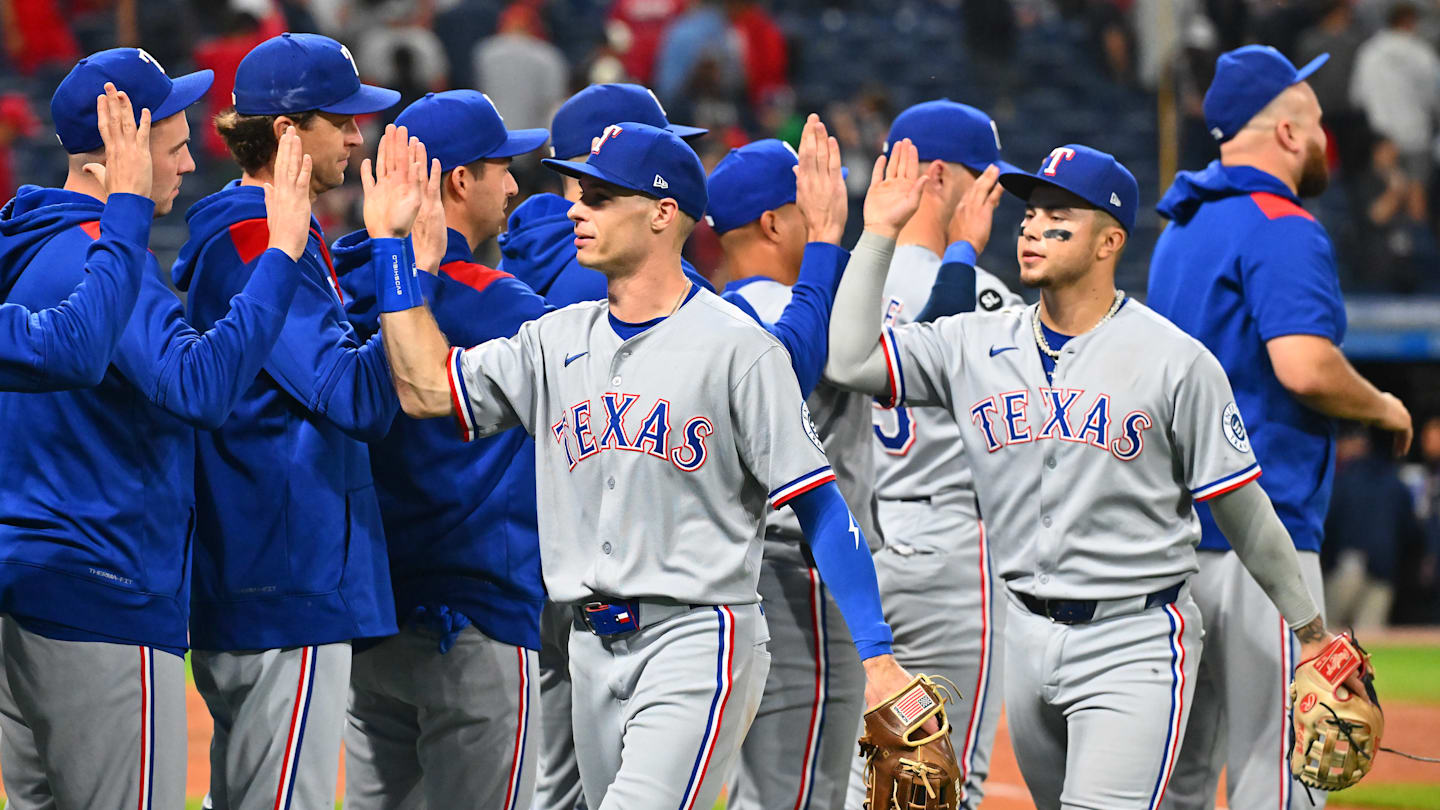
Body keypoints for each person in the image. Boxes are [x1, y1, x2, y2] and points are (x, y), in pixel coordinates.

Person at [372, 118, 916, 810]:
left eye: (600, 197)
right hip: (589, 645)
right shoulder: (553, 338)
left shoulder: (738, 349)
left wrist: (875, 651)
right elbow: (424, 387)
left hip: (697, 636)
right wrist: (393, 251)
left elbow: (820, 504)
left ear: (663, 214)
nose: (575, 206)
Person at [825, 138, 1358, 810]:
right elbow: (847, 361)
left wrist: (1310, 631)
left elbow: (1243, 509)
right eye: (1028, 216)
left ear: (1109, 244)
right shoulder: (971, 342)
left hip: (1132, 636)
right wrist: (877, 232)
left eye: (1058, 219)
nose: (1032, 229)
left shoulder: (1174, 360)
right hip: (1025, 632)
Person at [499, 86, 844, 810]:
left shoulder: (530, 262)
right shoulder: (608, 286)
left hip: (557, 574)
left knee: (563, 791)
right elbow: (784, 372)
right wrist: (824, 251)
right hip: (611, 570)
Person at [0, 48, 309, 809]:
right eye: (171, 142)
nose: (188, 158)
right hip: (102, 594)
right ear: (117, 156)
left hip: (30, 600)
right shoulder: (96, 254)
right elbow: (196, 387)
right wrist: (283, 256)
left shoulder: (30, 244)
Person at [1148, 45, 1413, 810]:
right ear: (1289, 136)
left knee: (1182, 778)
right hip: (1263, 535)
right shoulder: (1282, 224)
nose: (1327, 137)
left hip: (1173, 540)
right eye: (1318, 122)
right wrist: (1385, 405)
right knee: (1283, 768)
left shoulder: (1180, 233)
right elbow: (1302, 365)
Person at [170, 32, 403, 810]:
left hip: (266, 564)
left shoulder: (270, 236)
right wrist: (408, 274)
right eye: (338, 119)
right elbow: (356, 397)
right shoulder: (257, 238)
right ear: (285, 132)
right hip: (287, 569)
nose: (355, 135)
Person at [329, 89, 552, 810]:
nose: (513, 185)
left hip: (369, 614)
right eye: (501, 167)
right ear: (460, 181)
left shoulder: (333, 284)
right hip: (479, 616)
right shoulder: (499, 302)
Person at [846, 99, 1023, 810]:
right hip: (955, 552)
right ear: (940, 176)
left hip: (855, 548)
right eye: (986, 179)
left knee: (856, 781)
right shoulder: (987, 295)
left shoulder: (843, 288)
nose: (998, 197)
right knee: (946, 780)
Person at [706, 136, 869, 810]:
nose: (827, 215)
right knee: (804, 791)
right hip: (799, 572)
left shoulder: (709, 312)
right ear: (775, 223)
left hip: (740, 568)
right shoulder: (788, 311)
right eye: (810, 208)